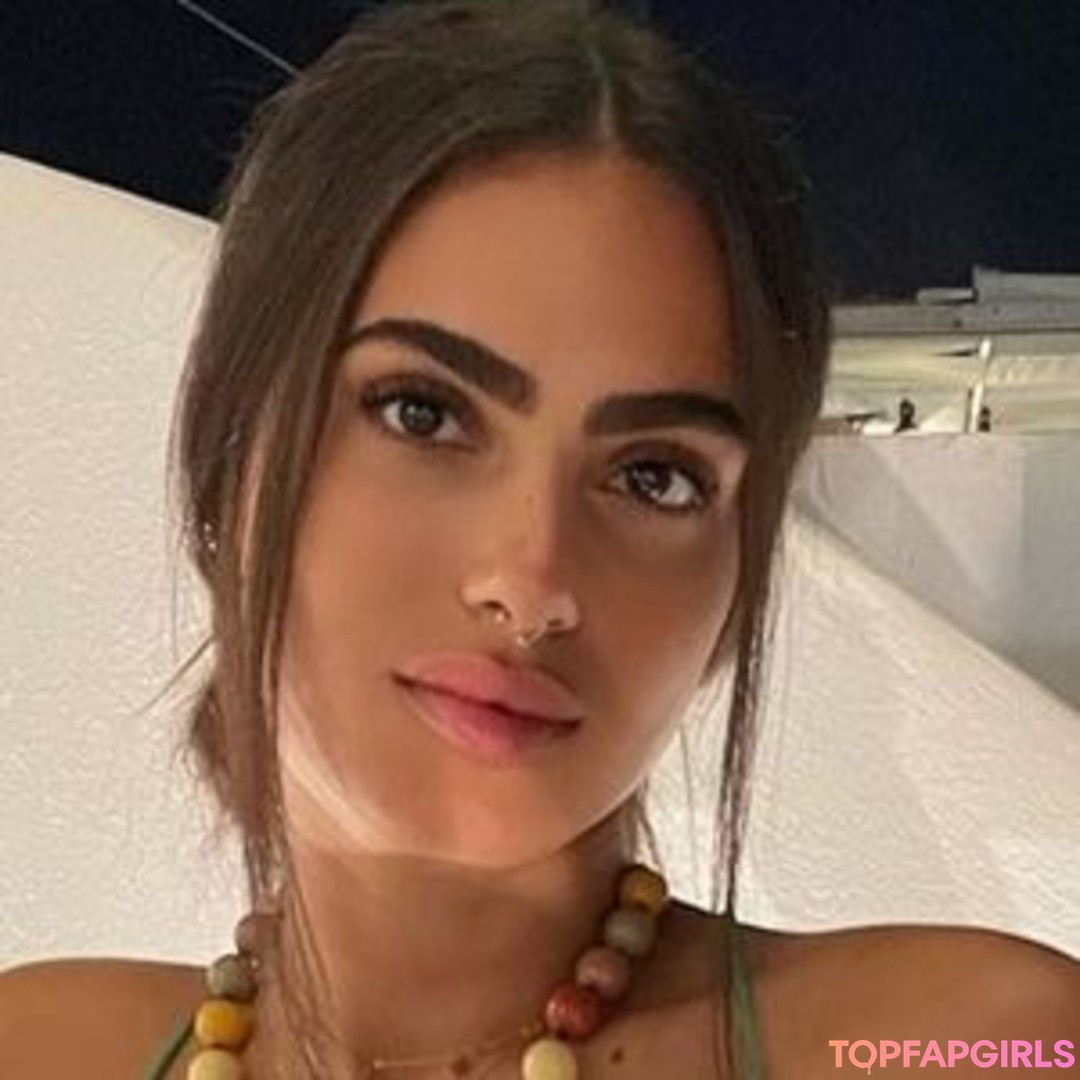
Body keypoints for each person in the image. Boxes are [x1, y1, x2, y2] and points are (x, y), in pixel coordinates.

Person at [2, 2, 1077, 1077]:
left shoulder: (984, 1047)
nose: (531, 581)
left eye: (654, 477)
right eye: (423, 413)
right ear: (228, 449)